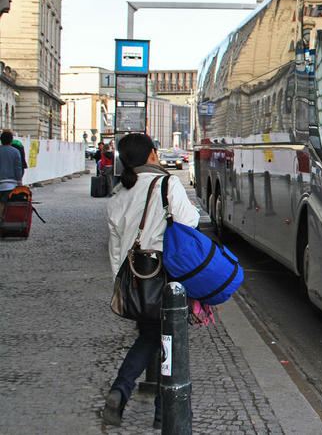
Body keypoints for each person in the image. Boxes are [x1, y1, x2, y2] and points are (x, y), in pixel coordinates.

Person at [103, 133, 199, 428]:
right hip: (167, 279)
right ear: (152, 155)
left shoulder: (118, 195)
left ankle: (126, 395)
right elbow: (189, 222)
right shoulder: (166, 184)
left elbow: (116, 250)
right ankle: (159, 410)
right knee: (166, 340)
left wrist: (125, 285)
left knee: (152, 337)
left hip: (136, 280)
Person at [0, 130, 24, 221]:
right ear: (11, 140)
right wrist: (19, 182)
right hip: (10, 184)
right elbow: (18, 168)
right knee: (6, 203)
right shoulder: (15, 152)